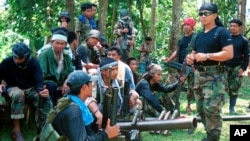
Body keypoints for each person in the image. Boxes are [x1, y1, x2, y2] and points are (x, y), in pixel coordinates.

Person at [185, 3, 233, 141]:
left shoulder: (221, 32)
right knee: (201, 109)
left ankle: (213, 137)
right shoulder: (198, 36)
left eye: (206, 13)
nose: (203, 16)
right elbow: (193, 53)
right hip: (198, 76)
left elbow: (229, 54)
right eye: (200, 13)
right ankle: (210, 134)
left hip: (215, 76)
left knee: (212, 109)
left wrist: (207, 56)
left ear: (215, 15)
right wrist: (190, 58)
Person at [41, 70, 120, 141]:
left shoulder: (70, 101)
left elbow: (87, 130)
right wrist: (106, 134)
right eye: (90, 83)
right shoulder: (74, 110)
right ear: (84, 87)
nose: (92, 86)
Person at [0, 42, 52, 141]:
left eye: (20, 58)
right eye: (15, 57)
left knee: (42, 97)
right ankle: (16, 131)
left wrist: (42, 91)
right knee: (18, 94)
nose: (16, 60)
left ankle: (43, 128)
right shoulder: (7, 62)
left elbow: (38, 81)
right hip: (12, 87)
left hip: (29, 88)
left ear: (26, 56)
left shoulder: (34, 63)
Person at [164, 17, 197, 114]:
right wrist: (169, 59)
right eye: (184, 25)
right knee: (179, 84)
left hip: (191, 66)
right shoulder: (181, 39)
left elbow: (198, 51)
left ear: (192, 26)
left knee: (191, 86)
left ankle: (189, 105)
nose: (185, 27)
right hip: (181, 65)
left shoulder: (196, 38)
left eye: (187, 25)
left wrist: (195, 64)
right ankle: (175, 104)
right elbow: (177, 51)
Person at [38, 30, 74, 106]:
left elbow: (71, 71)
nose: (59, 46)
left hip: (61, 83)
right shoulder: (45, 54)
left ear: (65, 44)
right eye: (57, 43)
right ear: (52, 42)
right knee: (51, 85)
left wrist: (66, 82)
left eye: (62, 44)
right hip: (48, 84)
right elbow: (41, 74)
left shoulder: (66, 56)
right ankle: (53, 109)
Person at [225, 19, 249, 115]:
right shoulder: (226, 38)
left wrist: (242, 68)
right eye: (231, 26)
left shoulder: (243, 40)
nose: (232, 28)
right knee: (221, 87)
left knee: (234, 88)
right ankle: (217, 107)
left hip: (236, 67)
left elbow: (246, 56)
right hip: (224, 66)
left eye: (234, 26)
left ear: (240, 27)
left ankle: (232, 107)